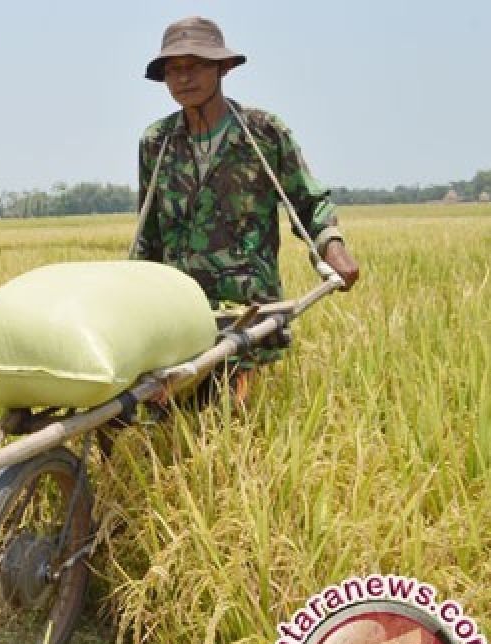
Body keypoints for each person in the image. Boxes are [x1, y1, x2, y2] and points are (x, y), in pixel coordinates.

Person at [132, 17, 360, 403]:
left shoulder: (264, 132)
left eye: (196, 66)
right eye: (174, 70)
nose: (184, 78)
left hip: (248, 308)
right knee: (170, 416)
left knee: (234, 418)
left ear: (223, 68)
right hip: (182, 310)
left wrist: (332, 246)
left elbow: (307, 201)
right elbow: (147, 232)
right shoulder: (157, 141)